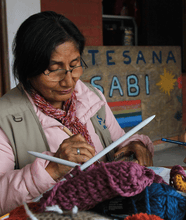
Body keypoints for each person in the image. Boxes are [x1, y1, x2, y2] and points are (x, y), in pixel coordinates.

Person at [0, 11, 154, 215]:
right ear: (29, 68)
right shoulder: (6, 118)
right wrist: (51, 171)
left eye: (74, 65)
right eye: (54, 70)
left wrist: (134, 146)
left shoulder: (90, 96)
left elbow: (118, 141)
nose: (69, 80)